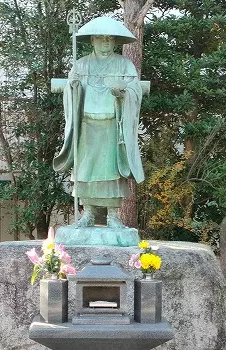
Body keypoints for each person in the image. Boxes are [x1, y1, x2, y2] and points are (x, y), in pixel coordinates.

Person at [53, 17, 144, 228]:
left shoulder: (124, 64)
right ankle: (88, 214)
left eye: (109, 39)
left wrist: (123, 91)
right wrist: (73, 87)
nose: (105, 43)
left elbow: (135, 90)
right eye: (100, 39)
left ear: (115, 42)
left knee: (112, 171)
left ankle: (113, 215)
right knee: (86, 171)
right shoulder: (81, 64)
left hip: (113, 125)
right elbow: (70, 91)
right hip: (87, 125)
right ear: (92, 40)